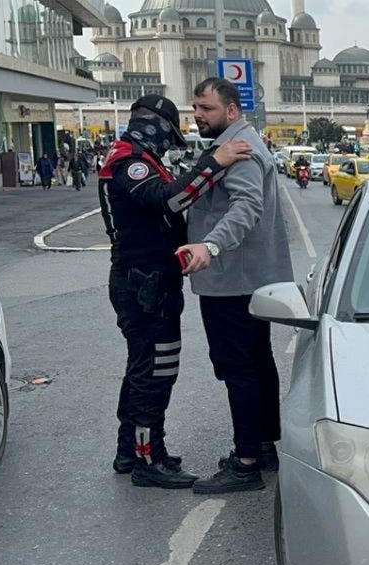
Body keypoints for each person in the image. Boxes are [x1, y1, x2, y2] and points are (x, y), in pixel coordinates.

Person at [100, 94, 253, 488]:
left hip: (150, 279)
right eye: (169, 135)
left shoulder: (139, 158)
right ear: (154, 125)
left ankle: (129, 451)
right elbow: (168, 200)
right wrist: (214, 163)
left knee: (143, 367)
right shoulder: (129, 162)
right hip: (143, 283)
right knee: (154, 371)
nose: (170, 145)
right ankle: (149, 460)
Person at [178, 77, 294, 494]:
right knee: (257, 362)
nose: (197, 116)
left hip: (232, 278)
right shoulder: (234, 144)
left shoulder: (240, 150)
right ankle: (262, 446)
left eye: (205, 109)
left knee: (238, 367)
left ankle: (245, 462)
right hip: (246, 277)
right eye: (194, 108)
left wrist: (211, 244)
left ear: (230, 110)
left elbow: (247, 206)